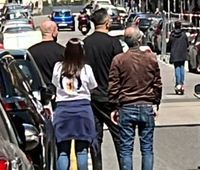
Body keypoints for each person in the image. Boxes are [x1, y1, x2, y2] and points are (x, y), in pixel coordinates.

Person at [108, 27, 161, 170]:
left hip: (126, 106)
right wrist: (156, 103)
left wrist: (114, 106)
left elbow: (113, 85)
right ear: (139, 40)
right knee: (147, 148)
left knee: (126, 148)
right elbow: (157, 84)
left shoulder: (119, 60)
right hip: (146, 105)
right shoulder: (150, 58)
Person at [84, 9, 124, 163]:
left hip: (92, 96)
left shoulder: (86, 43)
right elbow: (120, 70)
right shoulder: (113, 43)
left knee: (95, 138)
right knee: (119, 137)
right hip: (111, 97)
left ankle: (97, 166)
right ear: (107, 23)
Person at [52, 39, 99, 170]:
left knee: (62, 150)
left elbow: (55, 84)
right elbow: (92, 86)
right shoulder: (86, 69)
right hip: (83, 110)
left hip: (63, 110)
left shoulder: (58, 67)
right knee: (82, 150)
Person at [29, 19, 66, 84]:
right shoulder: (62, 51)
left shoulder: (30, 51)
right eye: (57, 30)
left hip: (38, 89)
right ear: (53, 32)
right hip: (57, 89)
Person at [165, 22, 189, 95]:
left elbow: (169, 44)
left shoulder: (172, 35)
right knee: (182, 68)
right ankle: (181, 83)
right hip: (182, 53)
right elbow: (187, 43)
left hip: (175, 54)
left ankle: (178, 84)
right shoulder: (184, 34)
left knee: (177, 68)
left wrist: (168, 49)